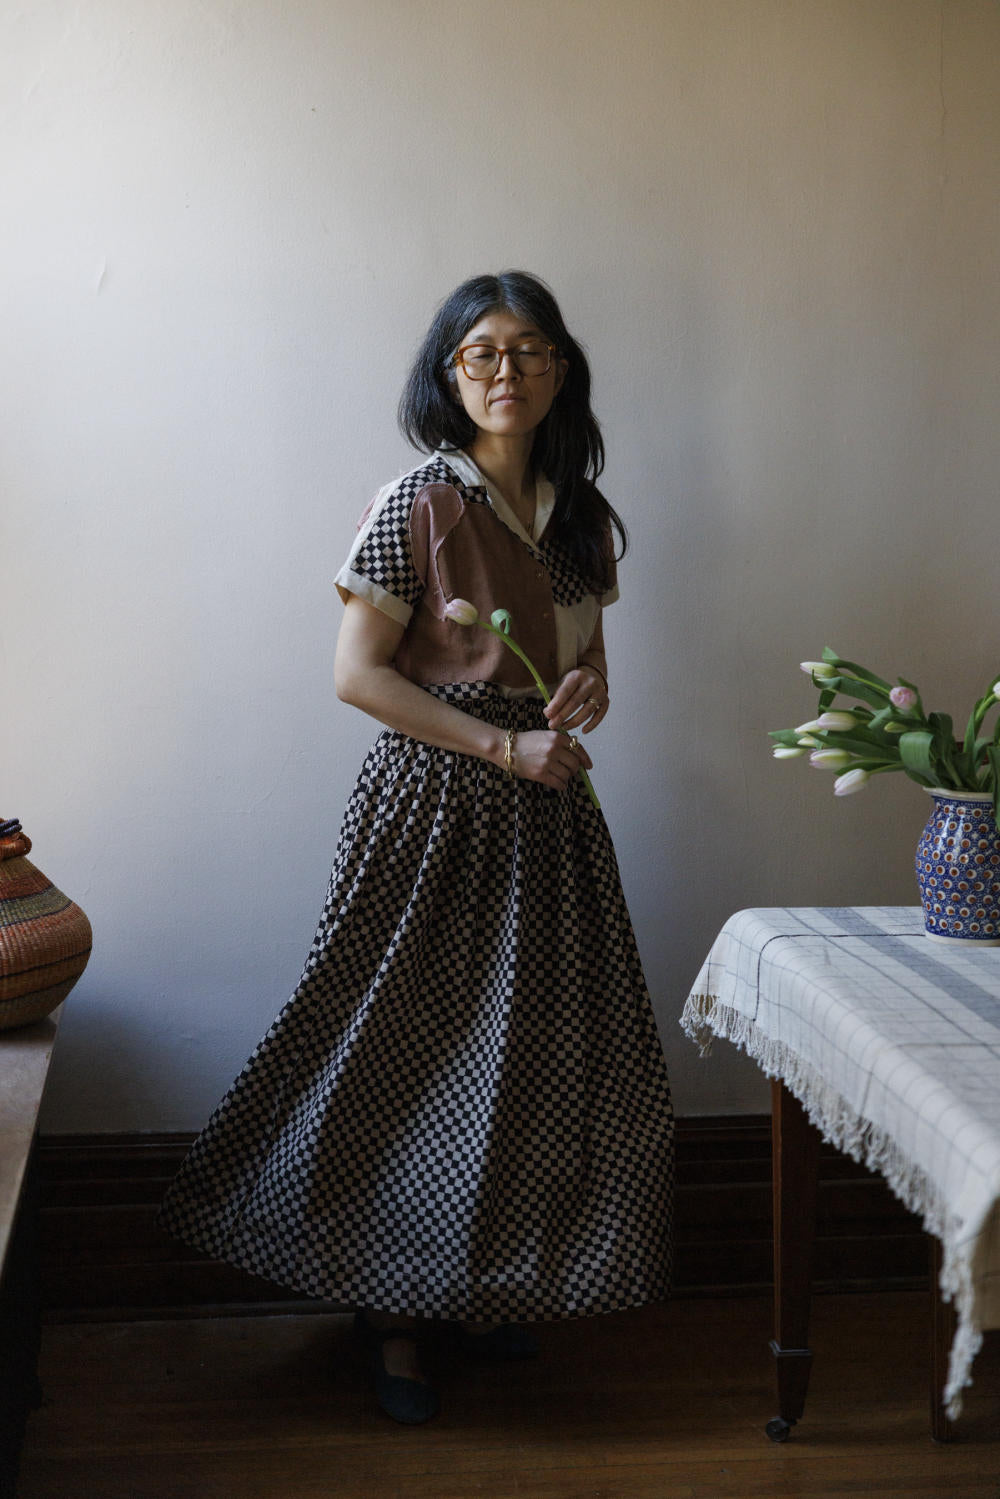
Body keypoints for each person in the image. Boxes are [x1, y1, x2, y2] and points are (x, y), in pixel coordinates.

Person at [159, 271, 674, 1425]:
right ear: (447, 374)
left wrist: (582, 695)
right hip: (436, 807)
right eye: (483, 352)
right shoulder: (418, 500)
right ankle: (389, 1310)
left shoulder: (580, 513)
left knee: (524, 1053)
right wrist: (502, 753)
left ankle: (475, 1280)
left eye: (532, 350)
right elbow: (357, 676)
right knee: (401, 1042)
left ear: (562, 370)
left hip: (546, 811)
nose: (508, 372)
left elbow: (585, 666)